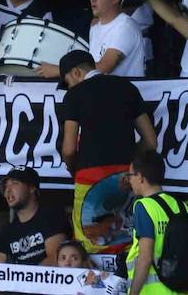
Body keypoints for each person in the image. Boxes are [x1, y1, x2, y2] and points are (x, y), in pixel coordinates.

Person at [58, 50, 158, 254]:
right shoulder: (127, 88)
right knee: (125, 240)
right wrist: (130, 157)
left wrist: (73, 168)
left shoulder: (74, 95)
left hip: (89, 176)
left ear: (76, 73)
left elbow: (69, 148)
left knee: (91, 244)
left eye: (68, 81)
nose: (69, 86)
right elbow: (151, 141)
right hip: (126, 175)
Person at [124, 148, 186, 294]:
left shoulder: (143, 206)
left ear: (140, 177)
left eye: (130, 175)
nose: (129, 180)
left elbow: (145, 257)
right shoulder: (182, 206)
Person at [0, 167, 68, 265]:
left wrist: (23, 277)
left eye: (15, 183)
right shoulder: (7, 231)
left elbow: (55, 259)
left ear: (31, 188)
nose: (8, 190)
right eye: (6, 186)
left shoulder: (52, 217)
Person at [86, 0, 146, 77]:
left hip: (124, 92)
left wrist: (60, 70)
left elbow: (103, 68)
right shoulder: (95, 26)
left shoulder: (125, 27)